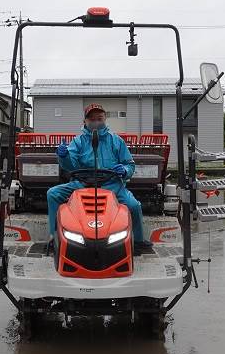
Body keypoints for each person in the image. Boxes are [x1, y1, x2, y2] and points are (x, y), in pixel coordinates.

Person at [47, 103, 153, 253]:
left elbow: (130, 164)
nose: (96, 121)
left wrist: (124, 170)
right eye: (92, 119)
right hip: (83, 185)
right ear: (85, 121)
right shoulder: (78, 142)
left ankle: (138, 241)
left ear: (105, 119)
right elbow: (71, 165)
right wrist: (63, 156)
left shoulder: (116, 141)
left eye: (100, 118)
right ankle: (54, 237)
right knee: (53, 194)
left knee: (134, 206)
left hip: (112, 185)